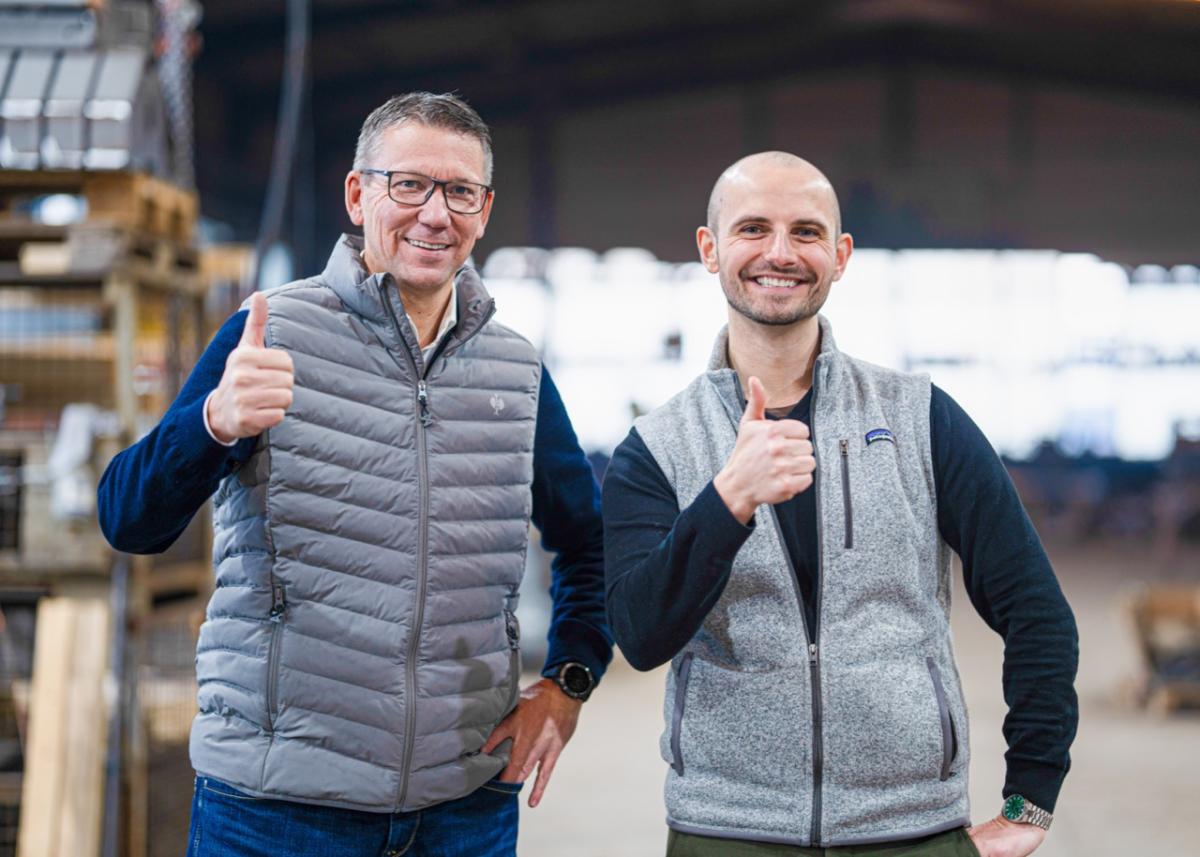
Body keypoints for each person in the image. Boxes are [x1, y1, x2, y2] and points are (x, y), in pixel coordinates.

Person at [98, 92, 612, 857]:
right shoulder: (271, 333)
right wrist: (211, 422)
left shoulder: (517, 370)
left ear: (484, 207)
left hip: (461, 811)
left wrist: (568, 682)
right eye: (409, 184)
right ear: (358, 193)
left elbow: (590, 542)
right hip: (277, 811)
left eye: (459, 191)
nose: (435, 214)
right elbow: (126, 517)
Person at [602, 152, 1078, 857]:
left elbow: (1037, 610)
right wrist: (729, 498)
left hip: (911, 827)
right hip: (727, 828)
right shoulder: (657, 447)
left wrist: (1030, 797)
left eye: (806, 231)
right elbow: (640, 635)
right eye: (753, 228)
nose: (780, 253)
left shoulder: (920, 417)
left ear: (840, 254)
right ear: (710, 248)